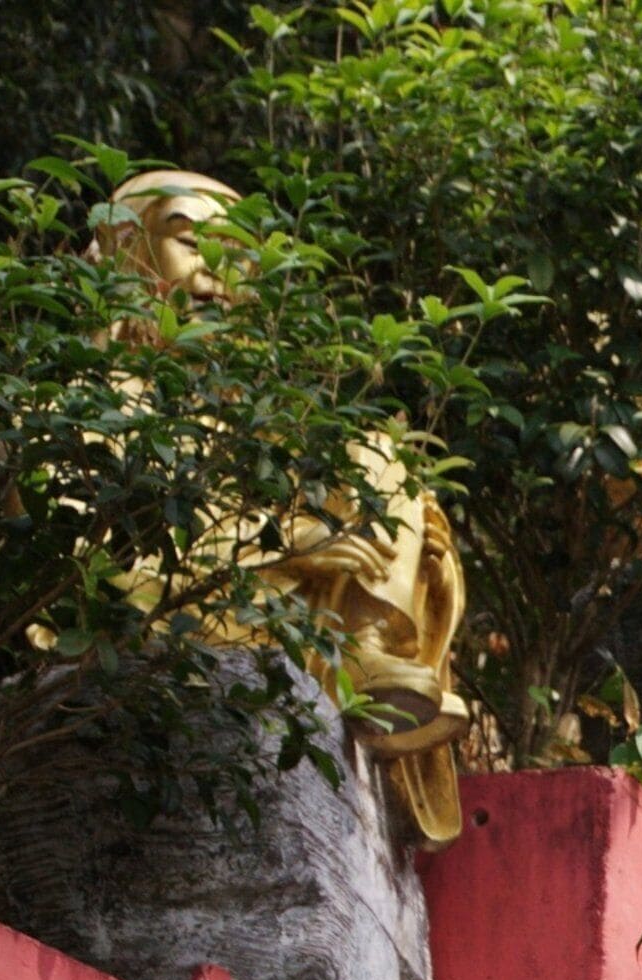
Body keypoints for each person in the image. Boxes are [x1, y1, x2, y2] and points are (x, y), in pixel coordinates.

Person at [95, 170, 469, 849]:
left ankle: (366, 646)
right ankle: (351, 654)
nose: (215, 271)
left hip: (295, 610)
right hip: (187, 608)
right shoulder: (96, 403)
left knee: (377, 447)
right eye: (189, 242)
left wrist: (426, 565)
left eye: (237, 258)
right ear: (132, 253)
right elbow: (96, 570)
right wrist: (281, 549)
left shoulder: (263, 430)